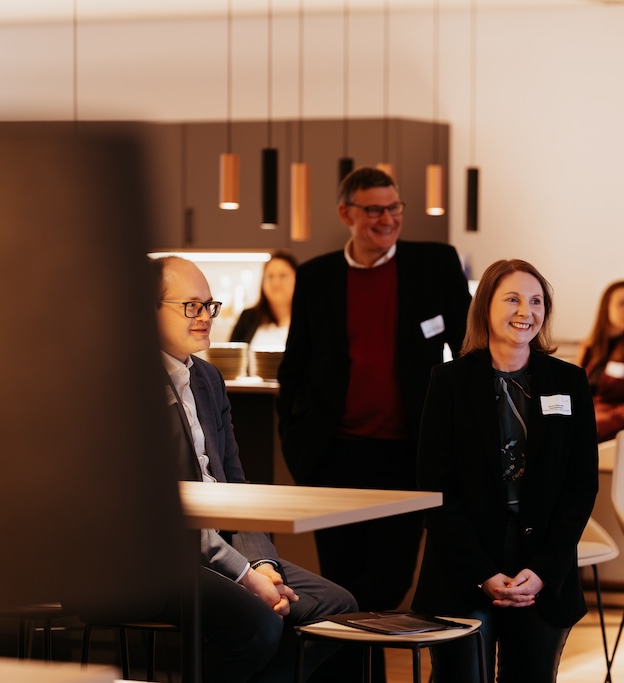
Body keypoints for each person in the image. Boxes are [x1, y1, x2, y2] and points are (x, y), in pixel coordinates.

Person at [276, 167, 472, 682]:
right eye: (375, 210)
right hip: (336, 455)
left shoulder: (434, 264)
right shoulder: (317, 276)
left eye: (395, 208)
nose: (388, 219)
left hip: (408, 455)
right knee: (339, 587)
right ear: (347, 214)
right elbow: (294, 367)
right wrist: (299, 449)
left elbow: (469, 350)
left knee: (386, 585)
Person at [151, 255, 358, 682]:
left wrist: (262, 564)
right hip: (161, 558)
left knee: (339, 607)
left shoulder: (208, 378)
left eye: (210, 305)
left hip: (219, 547)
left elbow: (234, 485)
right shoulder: (129, 383)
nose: (205, 316)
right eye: (191, 306)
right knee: (261, 623)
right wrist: (245, 575)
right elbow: (164, 510)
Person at [411, 259, 599, 683]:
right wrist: (483, 573)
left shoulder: (569, 382)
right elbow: (435, 490)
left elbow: (580, 487)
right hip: (464, 568)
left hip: (543, 571)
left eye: (536, 301)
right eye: (512, 299)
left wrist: (545, 570)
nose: (525, 312)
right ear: (485, 308)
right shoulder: (449, 382)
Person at [575, 280, 624, 442]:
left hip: (609, 430)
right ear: (606, 306)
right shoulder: (589, 347)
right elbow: (574, 392)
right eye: (622, 304)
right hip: (582, 421)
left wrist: (594, 424)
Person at [230, 249, 298, 349]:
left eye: (283, 276)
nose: (276, 283)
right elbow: (232, 357)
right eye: (270, 276)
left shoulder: (310, 319)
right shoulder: (248, 317)